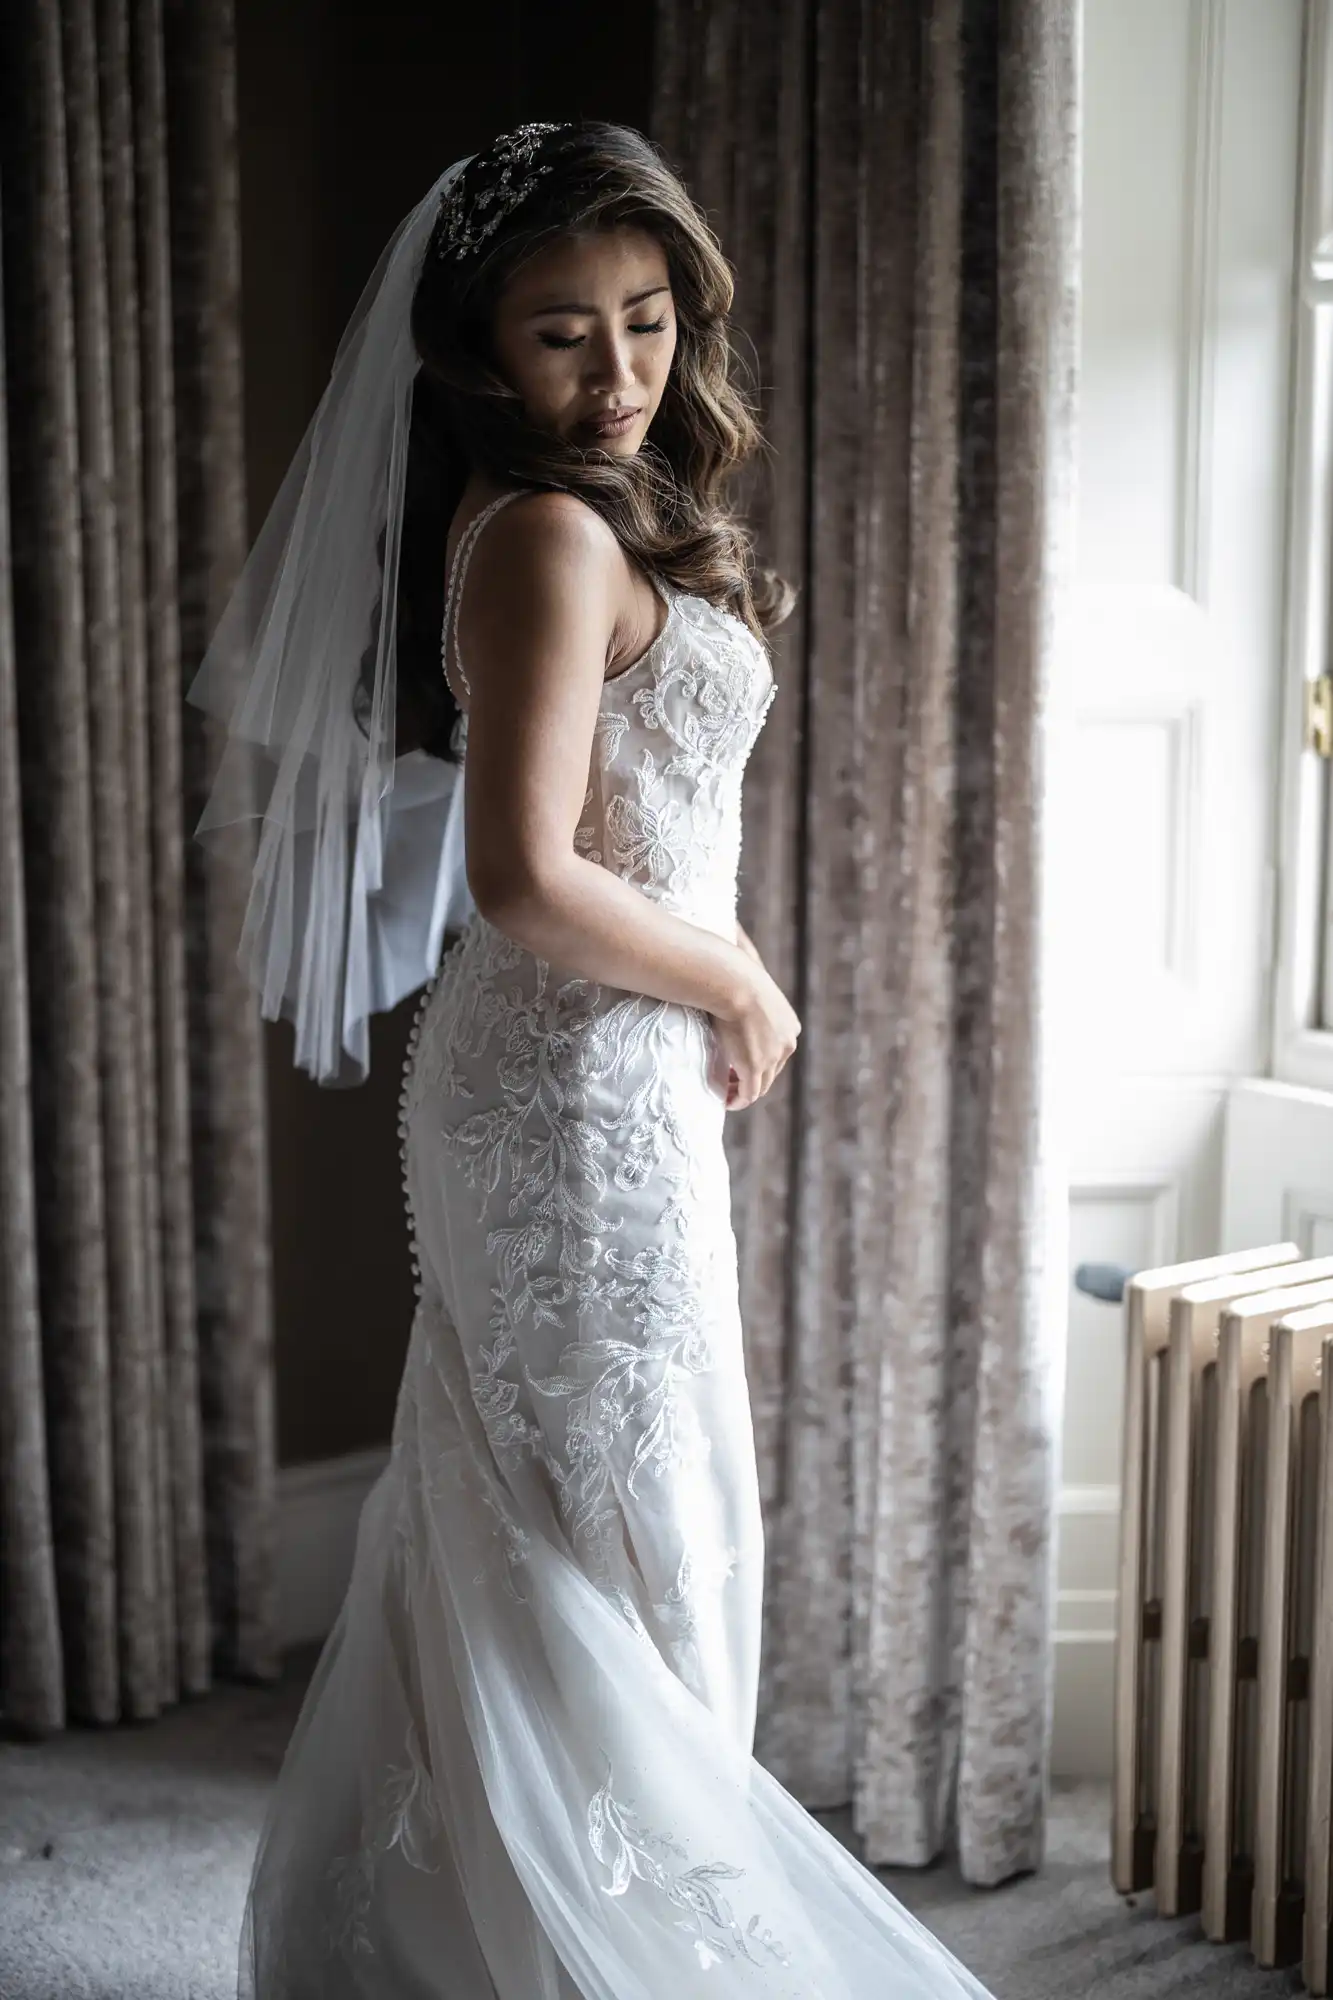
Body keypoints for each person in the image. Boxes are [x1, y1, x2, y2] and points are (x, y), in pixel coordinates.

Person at [190, 119, 996, 2000]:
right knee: (618, 1520)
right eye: (566, 332)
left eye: (643, 318)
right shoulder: (544, 530)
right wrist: (735, 976)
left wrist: (708, 982)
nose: (620, 371)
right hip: (562, 1083)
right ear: (484, 346)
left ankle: (470, 1939)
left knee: (584, 1504)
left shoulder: (600, 511)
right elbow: (527, 876)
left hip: (596, 1084)